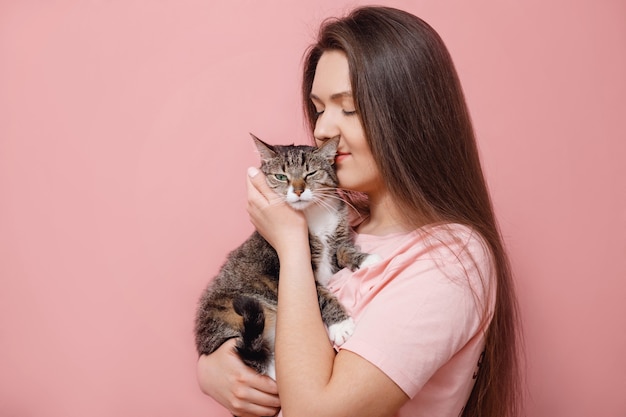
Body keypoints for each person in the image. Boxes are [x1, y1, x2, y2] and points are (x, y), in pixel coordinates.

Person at [197, 6, 522, 417]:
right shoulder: (340, 223)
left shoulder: (451, 259)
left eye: (347, 108)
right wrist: (213, 367)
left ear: (409, 115)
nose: (321, 130)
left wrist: (292, 246)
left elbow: (315, 411)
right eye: (318, 108)